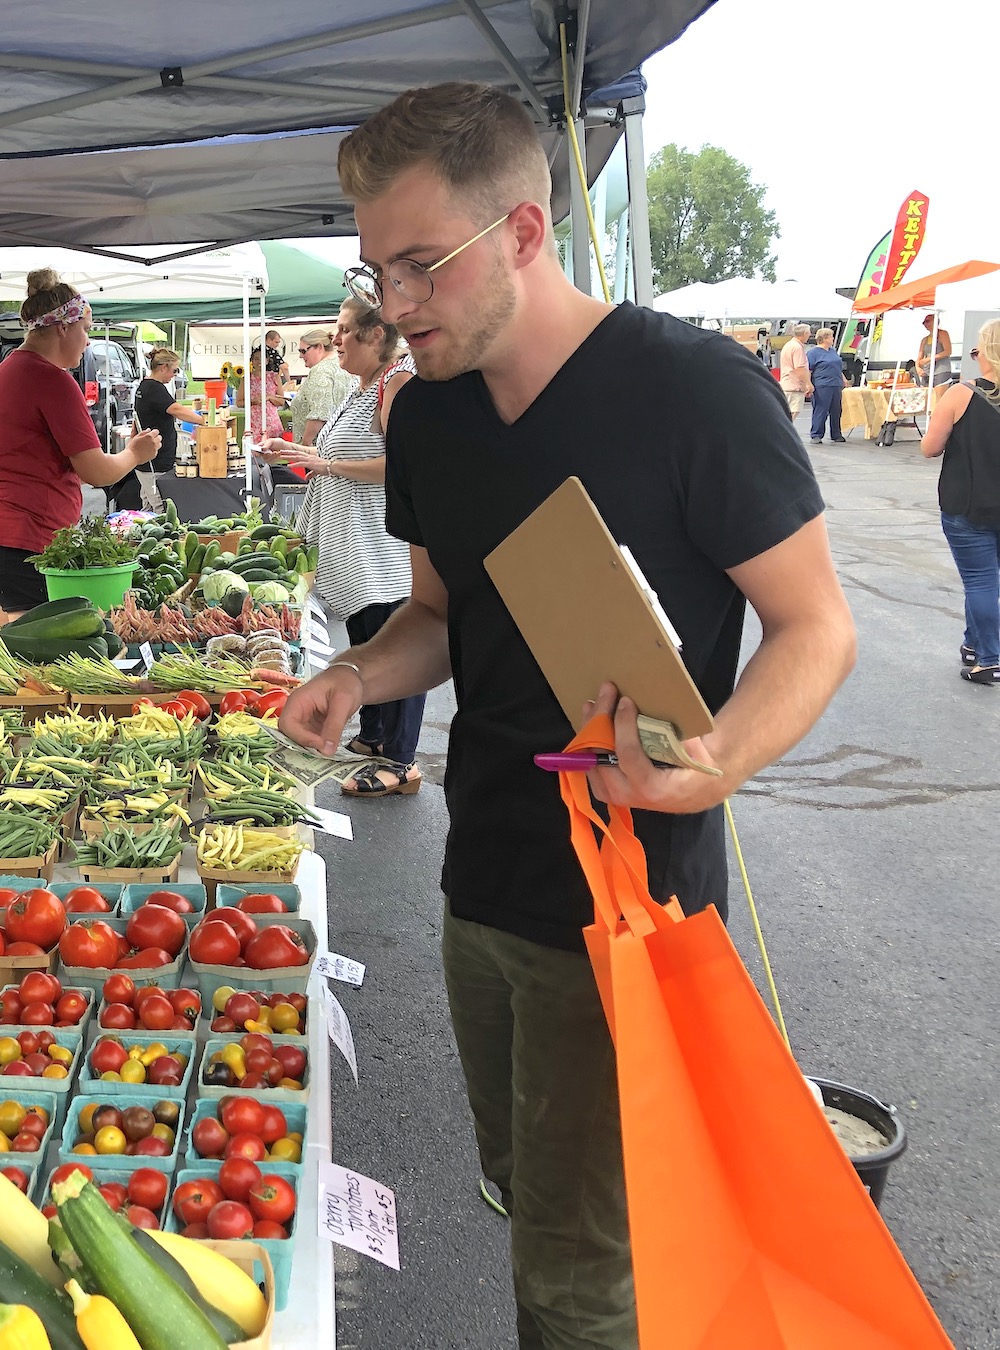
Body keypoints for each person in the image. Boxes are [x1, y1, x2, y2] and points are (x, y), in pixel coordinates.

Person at [285, 82, 855, 1347]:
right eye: (378, 269)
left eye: (423, 264)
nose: (397, 304)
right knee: (529, 1198)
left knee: (584, 1277)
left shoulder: (696, 391)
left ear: (528, 232)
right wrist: (358, 676)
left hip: (628, 908)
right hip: (480, 885)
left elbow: (817, 627)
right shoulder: (427, 411)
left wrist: (714, 766)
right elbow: (438, 618)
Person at [265, 299, 425, 795]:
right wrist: (298, 453)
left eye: (344, 332)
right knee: (364, 641)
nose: (336, 341)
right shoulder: (360, 389)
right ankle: (375, 737)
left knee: (393, 647)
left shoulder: (397, 384)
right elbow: (340, 453)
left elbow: (400, 466)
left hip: (379, 549)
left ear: (376, 336)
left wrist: (327, 468)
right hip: (350, 549)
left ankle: (402, 762)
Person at [0, 269, 159, 622]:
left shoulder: (10, 370)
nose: (88, 342)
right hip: (22, 540)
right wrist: (135, 453)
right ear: (62, 328)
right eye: (85, 329)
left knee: (13, 659)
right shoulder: (51, 380)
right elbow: (97, 471)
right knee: (40, 667)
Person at [920, 317, 1000, 684]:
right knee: (984, 581)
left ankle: (991, 658)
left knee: (980, 580)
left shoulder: (960, 393)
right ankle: (974, 642)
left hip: (968, 502)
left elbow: (930, 448)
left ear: (986, 353)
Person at [130, 347, 207, 507]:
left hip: (148, 461)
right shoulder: (155, 388)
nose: (175, 375)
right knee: (161, 507)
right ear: (163, 367)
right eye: (174, 370)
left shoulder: (144, 386)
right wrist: (204, 421)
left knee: (148, 505)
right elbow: (176, 409)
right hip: (155, 463)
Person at [288, 325, 361, 444]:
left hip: (321, 447)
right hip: (345, 440)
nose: (301, 356)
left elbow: (320, 412)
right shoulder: (344, 366)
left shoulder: (320, 370)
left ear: (319, 347)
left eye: (303, 351)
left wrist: (306, 444)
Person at [806, 327, 847, 444]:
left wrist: (843, 379)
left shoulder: (832, 351)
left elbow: (837, 367)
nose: (833, 338)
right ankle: (816, 434)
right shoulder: (813, 353)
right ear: (824, 338)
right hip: (822, 385)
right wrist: (808, 384)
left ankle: (836, 434)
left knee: (836, 410)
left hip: (835, 384)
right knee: (821, 409)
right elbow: (808, 370)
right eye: (831, 336)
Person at [242, 345, 287, 446]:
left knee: (274, 451)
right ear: (252, 361)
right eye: (256, 359)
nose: (259, 361)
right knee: (255, 452)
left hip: (271, 421)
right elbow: (239, 402)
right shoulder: (247, 378)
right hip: (254, 422)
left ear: (267, 361)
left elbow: (281, 401)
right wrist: (253, 401)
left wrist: (269, 397)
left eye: (262, 358)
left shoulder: (274, 377)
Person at [778, 321, 812, 417]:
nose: (809, 335)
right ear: (805, 333)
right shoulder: (797, 347)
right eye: (809, 333)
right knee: (792, 413)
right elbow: (799, 369)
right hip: (794, 385)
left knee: (786, 413)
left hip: (787, 383)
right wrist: (808, 384)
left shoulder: (789, 345)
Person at [920, 314, 954, 385]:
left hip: (941, 370)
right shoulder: (924, 339)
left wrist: (929, 359)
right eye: (924, 322)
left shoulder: (943, 334)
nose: (925, 324)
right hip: (927, 372)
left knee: (939, 395)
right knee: (928, 394)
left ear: (935, 322)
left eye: (927, 321)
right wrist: (918, 368)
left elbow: (948, 351)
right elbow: (919, 357)